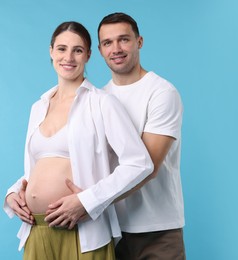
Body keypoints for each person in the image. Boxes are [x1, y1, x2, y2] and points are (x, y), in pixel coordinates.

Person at [3, 21, 154, 260]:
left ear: (88, 55)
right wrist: (13, 194)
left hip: (83, 232)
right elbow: (38, 167)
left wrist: (87, 201)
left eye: (78, 50)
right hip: (37, 229)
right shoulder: (38, 106)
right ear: (51, 51)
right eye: (62, 49)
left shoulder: (102, 103)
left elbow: (139, 163)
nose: (69, 57)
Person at [45, 13, 186, 259]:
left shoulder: (161, 93)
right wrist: (20, 190)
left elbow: (147, 166)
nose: (116, 49)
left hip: (156, 229)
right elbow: (69, 155)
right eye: (108, 43)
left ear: (139, 42)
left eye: (124, 40)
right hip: (109, 227)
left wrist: (87, 202)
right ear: (99, 50)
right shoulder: (98, 98)